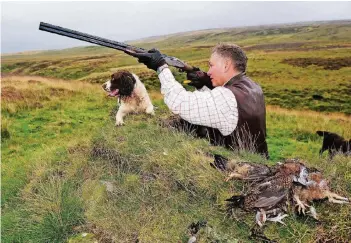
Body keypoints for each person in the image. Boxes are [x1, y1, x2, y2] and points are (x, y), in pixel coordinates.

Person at [131, 44, 269, 159]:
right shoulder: (254, 87)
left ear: (226, 65)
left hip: (237, 171)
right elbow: (221, 111)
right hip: (258, 162)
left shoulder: (227, 97)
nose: (208, 72)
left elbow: (180, 102)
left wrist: (161, 67)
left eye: (211, 65)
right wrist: (203, 85)